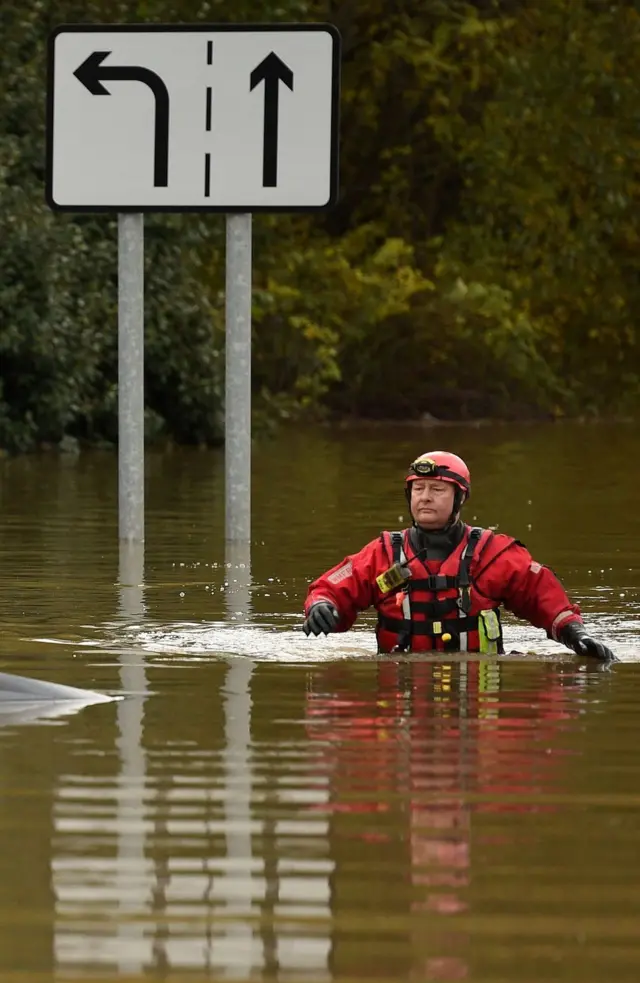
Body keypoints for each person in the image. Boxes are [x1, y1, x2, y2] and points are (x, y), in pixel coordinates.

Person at [302, 451, 617, 662]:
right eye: (418, 489)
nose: (425, 498)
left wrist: (575, 633)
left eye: (437, 490)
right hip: (402, 695)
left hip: (478, 696)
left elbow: (545, 598)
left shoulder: (494, 555)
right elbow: (333, 586)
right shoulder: (383, 555)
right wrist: (321, 607)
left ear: (460, 498)